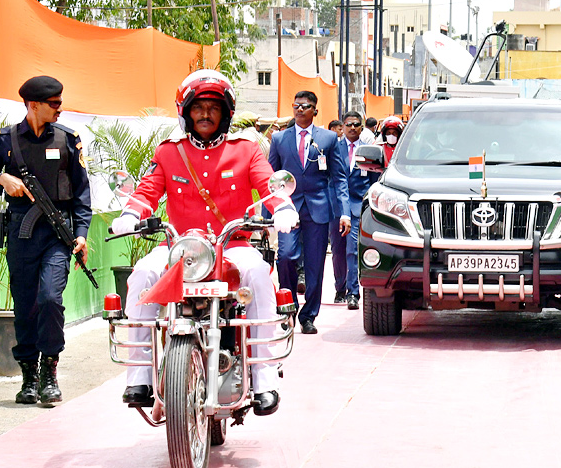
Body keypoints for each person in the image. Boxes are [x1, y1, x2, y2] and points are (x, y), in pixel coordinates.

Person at [110, 70, 299, 414]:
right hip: (181, 248)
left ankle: (265, 378)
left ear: (225, 113)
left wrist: (283, 208)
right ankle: (139, 377)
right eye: (198, 107)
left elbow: (268, 184)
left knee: (258, 273)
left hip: (232, 246)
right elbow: (148, 190)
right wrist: (130, 214)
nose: (205, 114)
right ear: (186, 112)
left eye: (213, 107)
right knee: (141, 274)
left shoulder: (245, 151)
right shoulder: (170, 153)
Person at [0, 75, 91, 406]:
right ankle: (28, 376)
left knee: (50, 298)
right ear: (34, 105)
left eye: (59, 102)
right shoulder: (4, 140)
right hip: (21, 237)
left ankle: (49, 370)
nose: (59, 109)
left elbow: (82, 195)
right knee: (25, 305)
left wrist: (80, 235)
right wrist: (2, 178)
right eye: (54, 104)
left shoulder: (68, 140)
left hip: (57, 237)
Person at [268, 91, 349, 335]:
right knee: (286, 256)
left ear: (315, 110)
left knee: (315, 265)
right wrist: (266, 214)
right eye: (296, 106)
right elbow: (270, 179)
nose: (300, 110)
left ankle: (308, 315)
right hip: (287, 208)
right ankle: (289, 305)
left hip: (318, 208)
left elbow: (340, 177)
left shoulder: (328, 139)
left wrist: (344, 212)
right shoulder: (279, 139)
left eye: (306, 106)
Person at [330, 111, 372, 309]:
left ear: (361, 127)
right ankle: (340, 287)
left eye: (356, 124)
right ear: (343, 127)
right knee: (337, 251)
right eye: (349, 124)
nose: (352, 128)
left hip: (356, 207)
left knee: (352, 250)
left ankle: (353, 293)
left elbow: (373, 180)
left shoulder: (368, 150)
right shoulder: (333, 148)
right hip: (335, 206)